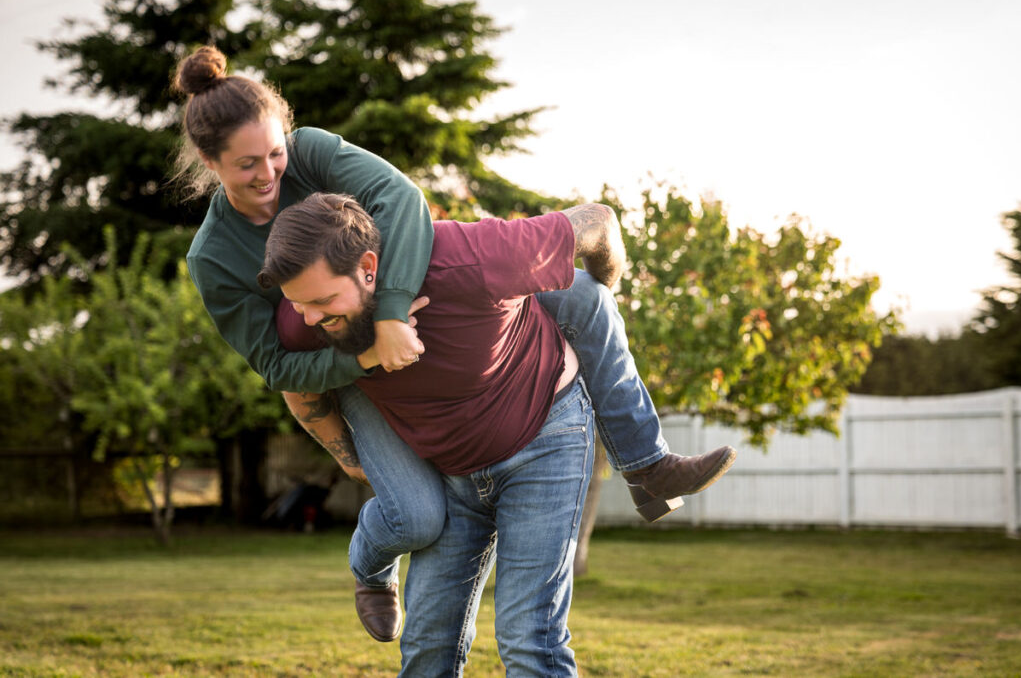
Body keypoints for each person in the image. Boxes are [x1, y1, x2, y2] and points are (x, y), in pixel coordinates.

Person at [174, 46, 736, 643]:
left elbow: (403, 202)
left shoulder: (309, 151)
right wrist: (364, 359)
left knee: (585, 297)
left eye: (275, 154)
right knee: (416, 517)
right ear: (211, 163)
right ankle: (370, 567)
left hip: (402, 304)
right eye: (246, 166)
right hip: (346, 367)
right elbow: (277, 363)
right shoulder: (214, 257)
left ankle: (647, 465)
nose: (269, 174)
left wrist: (391, 312)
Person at [263, 192, 627, 675]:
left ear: (369, 269)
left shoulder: (467, 255)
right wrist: (346, 454)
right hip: (454, 469)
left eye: (323, 300)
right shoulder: (303, 319)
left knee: (528, 639)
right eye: (299, 303)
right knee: (429, 642)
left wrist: (602, 291)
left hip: (546, 432)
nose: (310, 317)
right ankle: (369, 567)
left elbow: (597, 221)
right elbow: (294, 380)